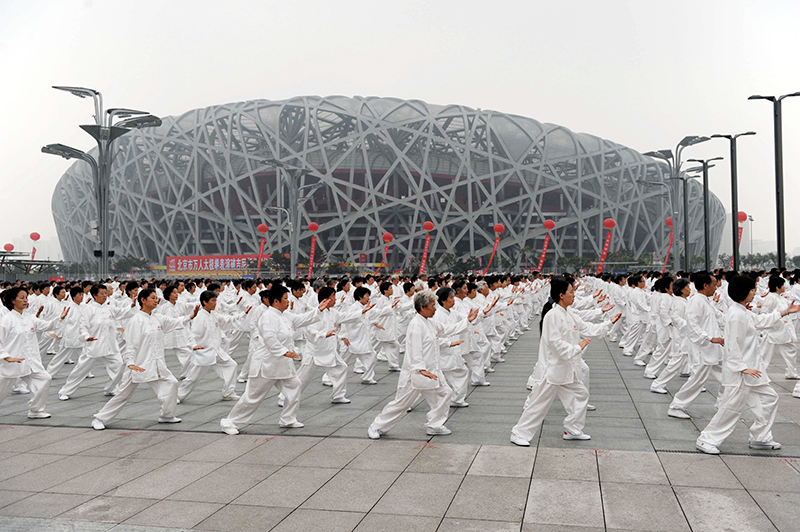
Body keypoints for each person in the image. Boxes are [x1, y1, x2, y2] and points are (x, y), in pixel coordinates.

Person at [510, 277, 620, 446]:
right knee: (539, 403)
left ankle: (572, 429)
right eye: (571, 292)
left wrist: (608, 323)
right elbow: (555, 344)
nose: (574, 295)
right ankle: (519, 433)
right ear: (561, 295)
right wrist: (577, 348)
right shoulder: (552, 316)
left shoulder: (570, 314)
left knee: (581, 395)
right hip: (554, 369)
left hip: (568, 368)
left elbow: (587, 328)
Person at [696, 275, 800, 454]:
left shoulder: (742, 311)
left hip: (753, 370)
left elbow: (760, 321)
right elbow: (732, 345)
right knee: (732, 407)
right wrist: (742, 368)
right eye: (752, 290)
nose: (754, 293)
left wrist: (785, 312)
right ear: (743, 292)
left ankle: (760, 437)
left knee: (769, 399)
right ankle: (706, 439)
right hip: (742, 372)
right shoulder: (736, 315)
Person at [219, 285, 332, 435]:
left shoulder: (285, 315)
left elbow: (302, 319)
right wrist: (284, 352)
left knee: (295, 386)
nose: (288, 301)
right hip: (266, 363)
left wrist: (319, 310)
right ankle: (229, 422)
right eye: (285, 298)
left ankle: (288, 418)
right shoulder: (267, 317)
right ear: (276, 301)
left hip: (282, 364)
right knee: (253, 397)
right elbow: (270, 339)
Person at [368, 290, 478, 439]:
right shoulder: (416, 325)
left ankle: (435, 425)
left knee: (445, 393)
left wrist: (467, 321)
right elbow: (415, 350)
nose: (435, 309)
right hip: (416, 374)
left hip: (432, 371)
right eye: (432, 306)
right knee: (401, 404)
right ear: (421, 307)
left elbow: (447, 330)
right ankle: (376, 426)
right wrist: (420, 369)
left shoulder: (430, 322)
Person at [91, 289, 200, 430]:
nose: (156, 300)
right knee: (123, 395)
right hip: (138, 365)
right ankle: (99, 418)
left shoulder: (157, 318)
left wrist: (191, 316)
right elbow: (131, 345)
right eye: (153, 298)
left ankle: (166, 415)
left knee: (172, 383)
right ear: (143, 300)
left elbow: (174, 322)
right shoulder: (136, 321)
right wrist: (130, 363)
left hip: (156, 364)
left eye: (156, 298)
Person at [0, 287, 69, 418]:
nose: (26, 300)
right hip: (11, 363)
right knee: (1, 390)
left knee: (45, 379)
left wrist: (59, 319)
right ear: (13, 300)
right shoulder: (6, 320)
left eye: (26, 297)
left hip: (30, 361)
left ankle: (35, 410)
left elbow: (46, 326)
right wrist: (6, 357)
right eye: (22, 297)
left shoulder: (30, 318)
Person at [667, 273, 725, 420]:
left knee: (728, 376)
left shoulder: (705, 301)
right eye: (713, 284)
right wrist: (710, 338)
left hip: (712, 348)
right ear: (705, 286)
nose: (716, 286)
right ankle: (676, 406)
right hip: (703, 348)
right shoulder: (696, 302)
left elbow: (719, 317)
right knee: (696, 381)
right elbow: (692, 325)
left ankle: (723, 404)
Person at [176, 290, 243, 403]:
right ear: (204, 302)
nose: (215, 303)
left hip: (216, 352)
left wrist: (243, 314)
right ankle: (178, 396)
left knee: (232, 365)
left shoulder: (213, 315)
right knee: (193, 378)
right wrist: (194, 345)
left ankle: (228, 392)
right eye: (212, 301)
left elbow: (227, 320)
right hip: (204, 352)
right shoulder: (200, 317)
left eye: (215, 300)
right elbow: (192, 334)